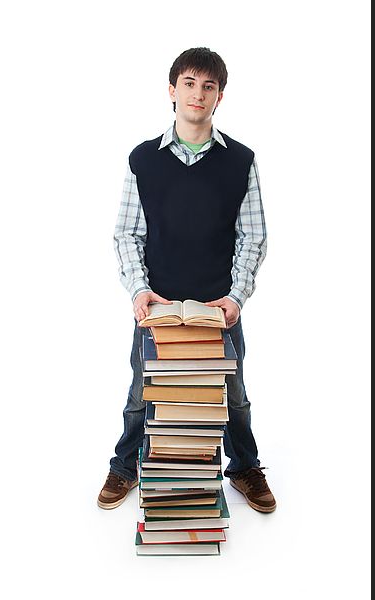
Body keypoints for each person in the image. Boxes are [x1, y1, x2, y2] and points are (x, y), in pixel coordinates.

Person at [98, 47, 276, 513]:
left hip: (218, 310)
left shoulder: (240, 161)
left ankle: (244, 467)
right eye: (190, 83)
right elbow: (127, 233)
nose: (199, 94)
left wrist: (237, 296)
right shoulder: (143, 159)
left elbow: (252, 236)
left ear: (220, 97)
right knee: (142, 390)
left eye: (209, 86)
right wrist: (139, 290)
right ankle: (126, 464)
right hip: (158, 307)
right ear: (172, 90)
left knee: (233, 392)